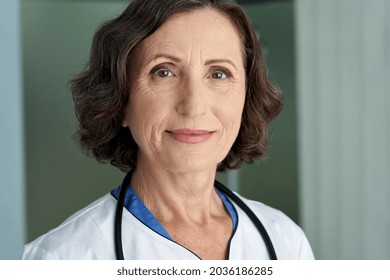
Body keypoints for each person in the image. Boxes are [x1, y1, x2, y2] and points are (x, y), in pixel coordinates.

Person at [22, 0, 314, 260]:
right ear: (121, 100)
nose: (194, 106)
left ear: (246, 98)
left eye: (219, 73)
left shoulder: (285, 243)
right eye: (164, 71)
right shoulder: (61, 258)